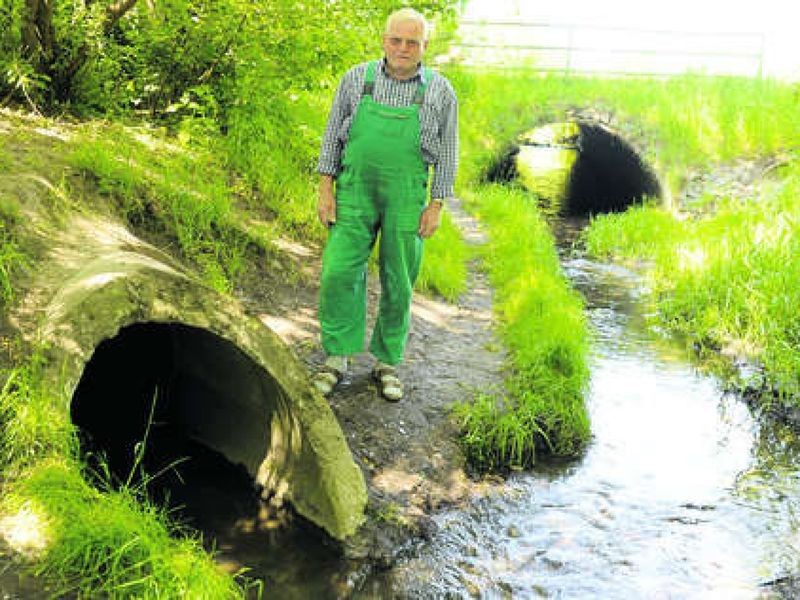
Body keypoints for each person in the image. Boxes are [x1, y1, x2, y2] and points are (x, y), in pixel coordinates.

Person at [313, 7, 458, 401]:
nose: (403, 48)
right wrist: (325, 189)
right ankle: (337, 357)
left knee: (399, 280)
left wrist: (436, 204)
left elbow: (448, 152)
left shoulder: (441, 91)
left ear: (425, 46)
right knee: (339, 271)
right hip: (354, 191)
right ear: (384, 40)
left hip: (407, 196)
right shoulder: (356, 79)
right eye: (396, 40)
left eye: (412, 42)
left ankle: (386, 363)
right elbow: (331, 136)